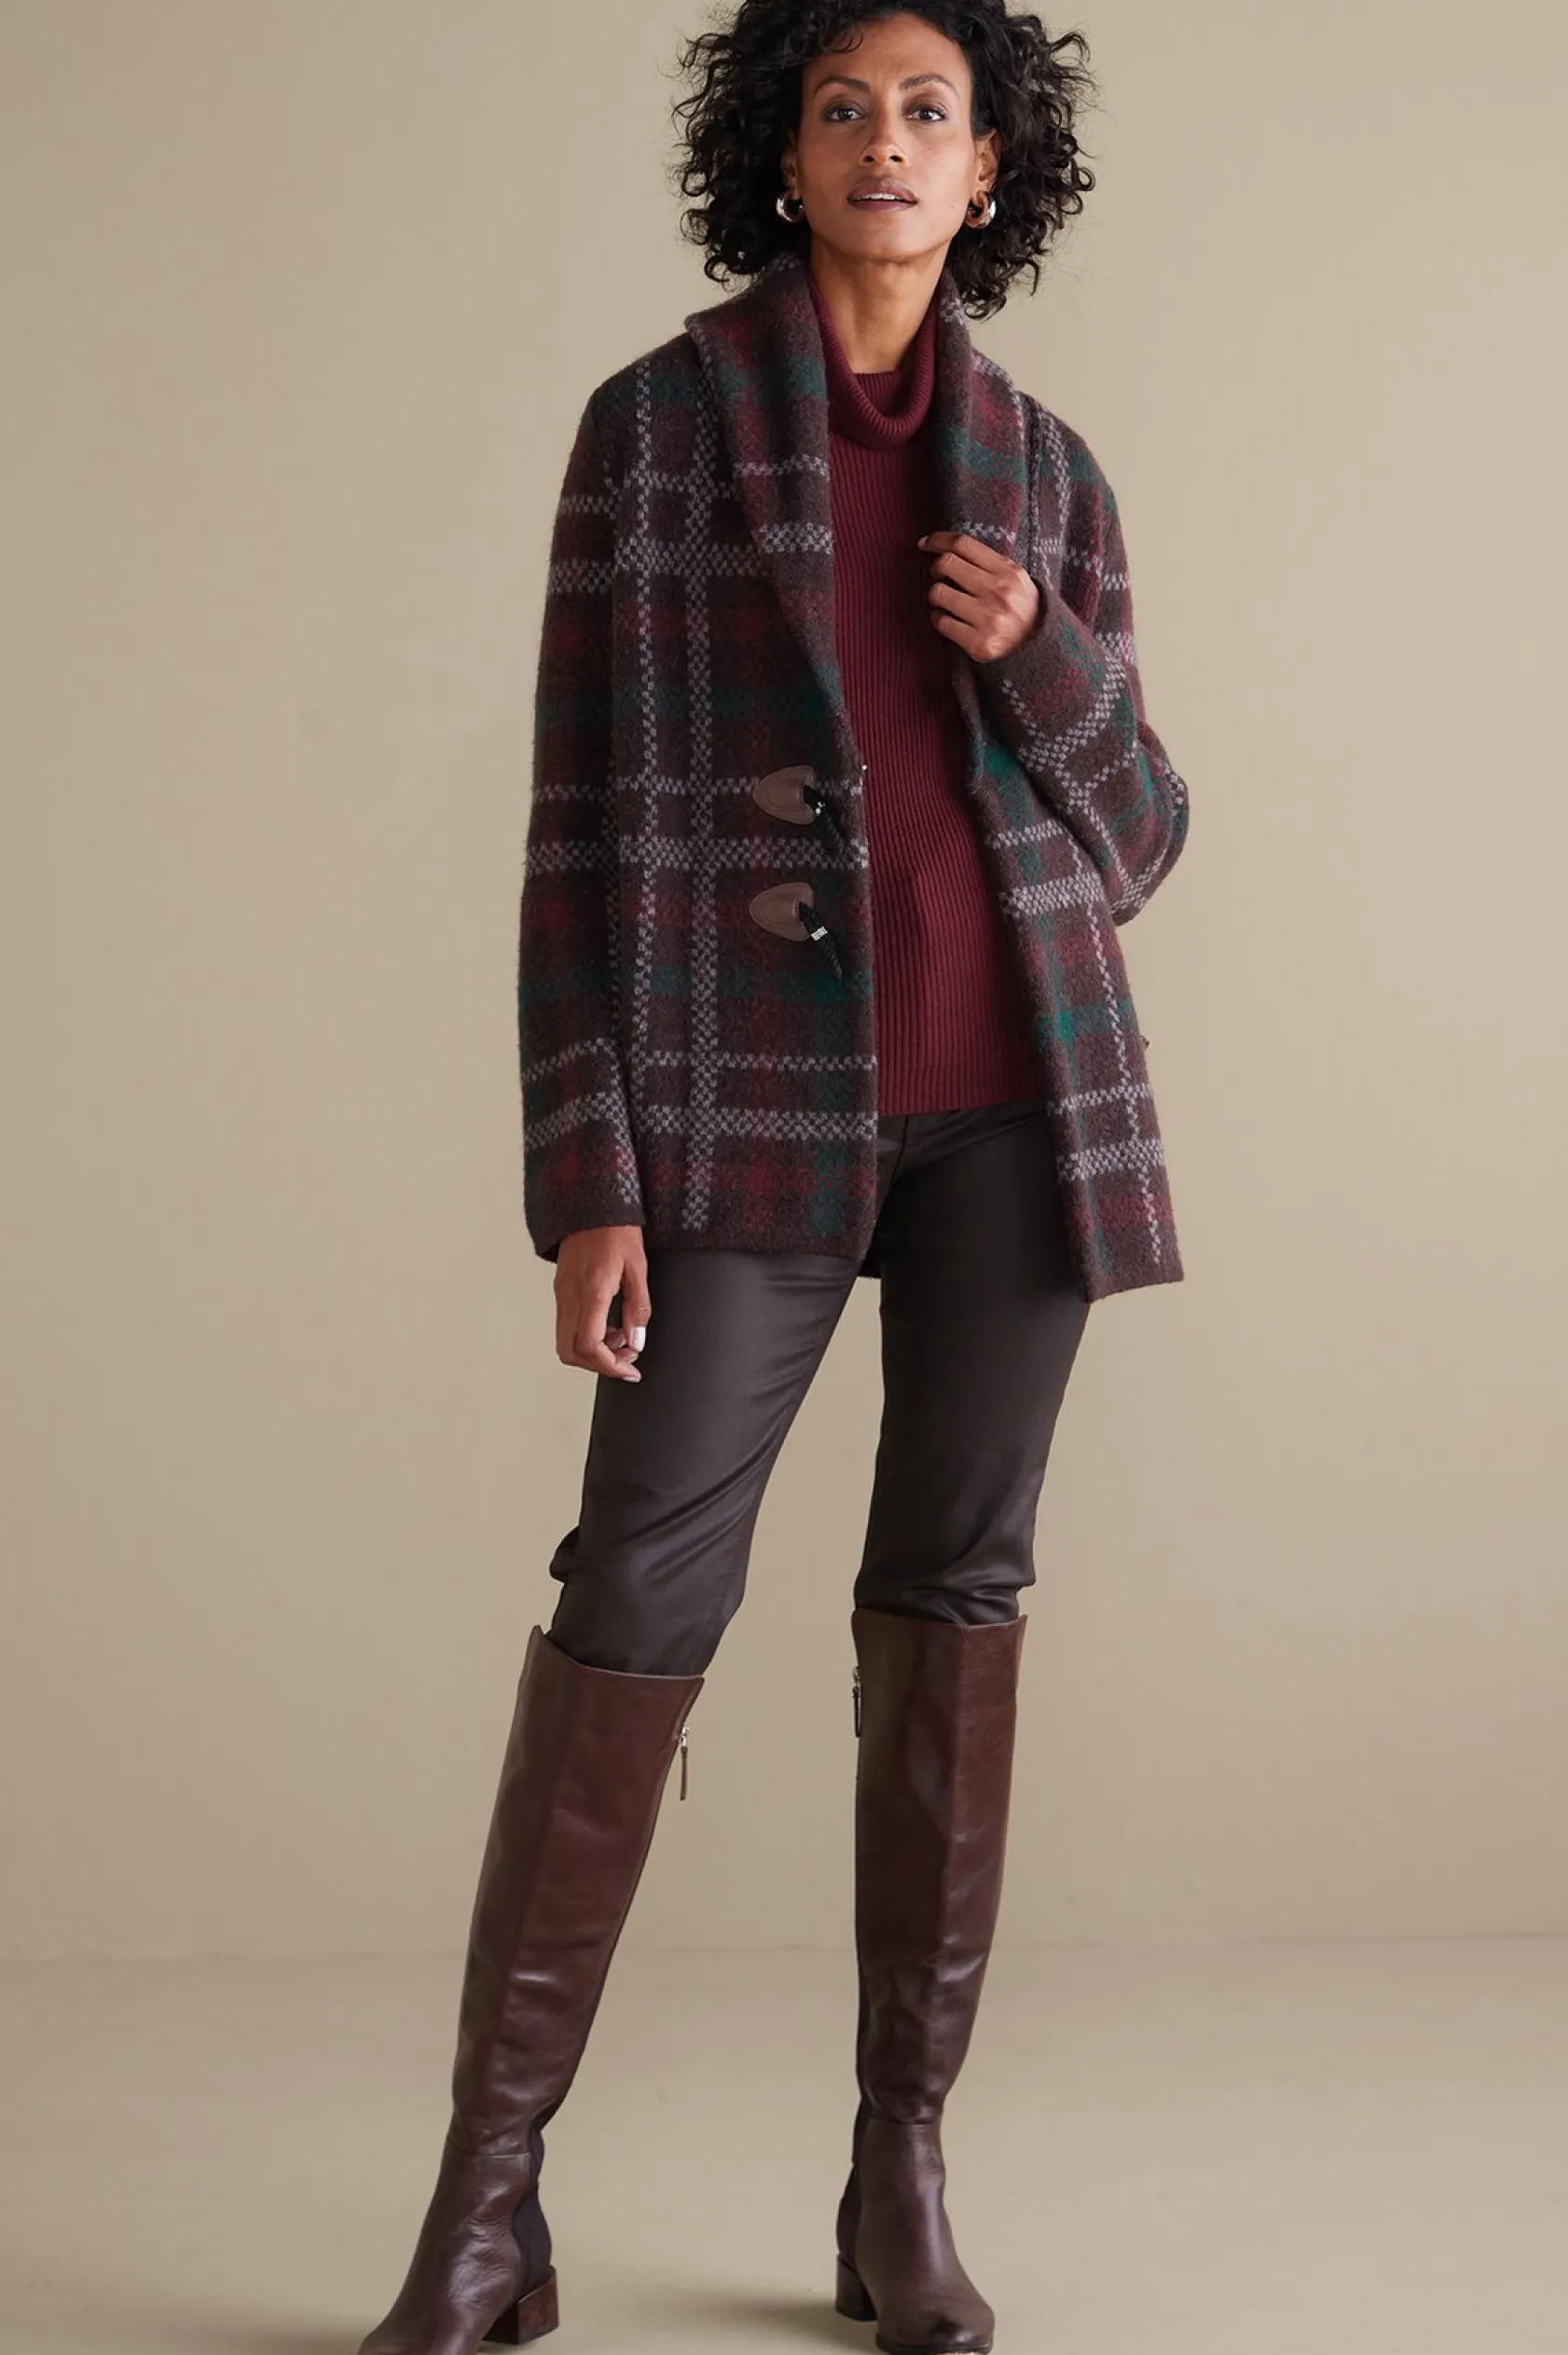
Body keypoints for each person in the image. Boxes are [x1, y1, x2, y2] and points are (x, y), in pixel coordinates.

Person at [355, 5, 1190, 2351]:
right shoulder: (657, 427)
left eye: (929, 110)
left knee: (957, 1597)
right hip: (736, 1112)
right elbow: (573, 827)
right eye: (842, 108)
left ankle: (894, 2178)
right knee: (638, 1587)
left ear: (993, 168)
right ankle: (486, 2209)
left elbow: (1140, 840)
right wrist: (586, 1175)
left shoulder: (1047, 471)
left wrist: (1041, 659)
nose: (885, 141)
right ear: (781, 154)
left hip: (1019, 1112)